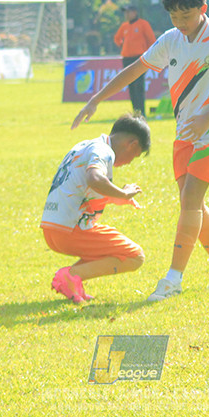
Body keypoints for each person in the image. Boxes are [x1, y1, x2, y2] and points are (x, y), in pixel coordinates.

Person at [72, 0, 209, 302]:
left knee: (191, 201)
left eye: (186, 16)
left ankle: (173, 279)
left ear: (202, 9)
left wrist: (208, 116)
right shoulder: (171, 39)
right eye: (174, 17)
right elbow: (135, 70)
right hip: (185, 133)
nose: (180, 23)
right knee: (190, 204)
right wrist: (97, 98)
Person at [42, 113, 150, 303]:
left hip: (53, 227)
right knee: (134, 256)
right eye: (135, 155)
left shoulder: (83, 146)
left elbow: (82, 188)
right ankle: (70, 276)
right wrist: (123, 194)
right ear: (132, 144)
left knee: (113, 246)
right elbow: (94, 178)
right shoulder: (104, 151)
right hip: (71, 229)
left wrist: (117, 198)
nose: (129, 162)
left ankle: (73, 283)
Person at [113, 6, 156, 116]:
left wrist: (149, 54)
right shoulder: (125, 26)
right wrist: (122, 45)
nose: (126, 14)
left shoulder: (143, 24)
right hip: (127, 58)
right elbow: (117, 38)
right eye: (125, 12)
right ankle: (135, 112)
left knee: (139, 85)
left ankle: (141, 112)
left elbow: (151, 40)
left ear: (135, 12)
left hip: (139, 58)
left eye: (128, 12)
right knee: (131, 85)